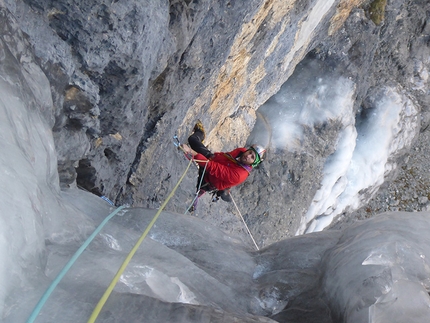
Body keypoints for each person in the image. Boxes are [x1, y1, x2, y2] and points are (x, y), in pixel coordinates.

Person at [181, 120, 266, 211]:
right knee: (192, 139)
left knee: (189, 197)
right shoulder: (240, 152)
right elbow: (224, 157)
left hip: (208, 179)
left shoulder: (239, 175)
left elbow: (212, 167)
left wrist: (191, 152)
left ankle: (200, 197)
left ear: (253, 163)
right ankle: (200, 133)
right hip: (212, 159)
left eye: (252, 157)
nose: (248, 156)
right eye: (250, 152)